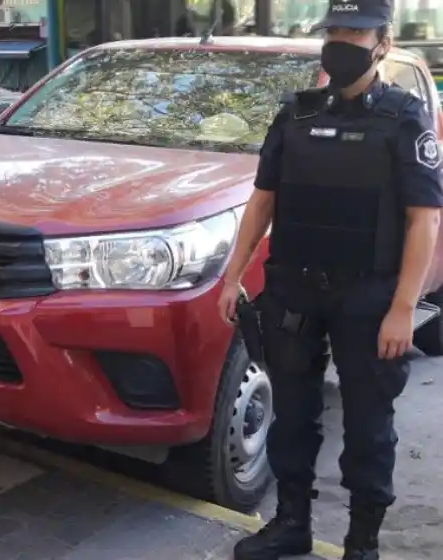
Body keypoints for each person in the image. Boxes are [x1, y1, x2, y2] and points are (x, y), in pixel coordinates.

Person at [217, 0, 443, 557]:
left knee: (368, 428)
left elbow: (425, 219)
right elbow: (262, 200)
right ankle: (291, 524)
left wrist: (402, 308)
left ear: (382, 42)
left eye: (355, 32)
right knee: (292, 415)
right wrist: (231, 275)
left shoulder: (404, 117)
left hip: (368, 295)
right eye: (334, 30)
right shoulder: (295, 114)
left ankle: (361, 544)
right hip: (294, 285)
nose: (341, 41)